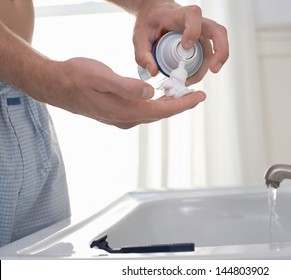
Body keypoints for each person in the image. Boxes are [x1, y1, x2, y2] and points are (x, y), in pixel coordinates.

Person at [0, 0, 229, 247]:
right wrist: (50, 79)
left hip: (25, 108)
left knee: (40, 264)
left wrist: (147, 4)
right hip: (27, 85)